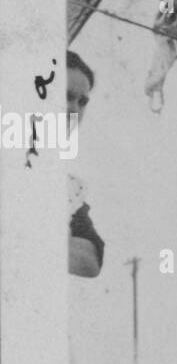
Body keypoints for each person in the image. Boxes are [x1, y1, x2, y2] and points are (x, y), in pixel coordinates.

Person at [67, 51, 105, 278]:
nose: (74, 110)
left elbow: (92, 260)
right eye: (66, 96)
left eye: (82, 102)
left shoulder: (66, 185)